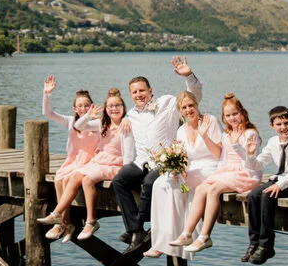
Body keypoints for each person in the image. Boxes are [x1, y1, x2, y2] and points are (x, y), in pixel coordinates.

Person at [111, 56, 202, 249]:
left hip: (165, 162)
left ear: (150, 90)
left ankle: (135, 227)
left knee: (150, 182)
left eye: (142, 90)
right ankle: (136, 230)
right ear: (131, 95)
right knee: (119, 180)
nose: (139, 94)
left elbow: (193, 98)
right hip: (141, 161)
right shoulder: (131, 116)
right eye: (134, 92)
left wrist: (189, 76)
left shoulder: (168, 103)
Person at [172, 93, 261, 254]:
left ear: (242, 113)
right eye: (228, 116)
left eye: (235, 114)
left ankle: (204, 236)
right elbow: (222, 158)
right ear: (224, 118)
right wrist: (218, 173)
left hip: (245, 173)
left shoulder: (249, 133)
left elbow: (252, 163)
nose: (232, 118)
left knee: (214, 190)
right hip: (228, 171)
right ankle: (187, 233)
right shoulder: (227, 134)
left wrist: (249, 153)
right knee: (201, 188)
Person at [144, 89, 223, 258]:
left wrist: (204, 136)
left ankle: (181, 236)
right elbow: (184, 156)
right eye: (184, 107)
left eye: (191, 105)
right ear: (180, 111)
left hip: (212, 167)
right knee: (159, 184)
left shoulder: (210, 121)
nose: (189, 110)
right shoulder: (181, 130)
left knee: (175, 186)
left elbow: (219, 154)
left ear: (197, 105)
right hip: (193, 169)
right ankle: (159, 241)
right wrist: (180, 169)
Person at [242, 105, 288, 264]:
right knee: (254, 195)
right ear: (272, 126)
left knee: (268, 195)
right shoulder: (273, 141)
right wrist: (250, 155)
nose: (283, 128)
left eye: (286, 123)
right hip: (280, 178)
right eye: (279, 124)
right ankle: (254, 242)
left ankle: (266, 245)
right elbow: (258, 164)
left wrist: (280, 185)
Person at [37, 75, 105, 241]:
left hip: (90, 160)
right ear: (74, 108)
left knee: (67, 181)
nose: (83, 108)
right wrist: (47, 94)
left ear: (92, 107)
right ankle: (64, 223)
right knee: (59, 180)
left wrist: (91, 116)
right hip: (74, 159)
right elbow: (48, 113)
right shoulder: (69, 121)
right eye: (80, 106)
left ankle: (61, 222)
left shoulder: (98, 122)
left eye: (86, 105)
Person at [66, 88, 131, 241]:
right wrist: (88, 115)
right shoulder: (102, 124)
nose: (114, 109)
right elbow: (79, 126)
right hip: (101, 161)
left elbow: (128, 153)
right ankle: (59, 215)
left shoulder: (127, 125)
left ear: (124, 108)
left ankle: (90, 221)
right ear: (106, 110)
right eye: (111, 106)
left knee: (87, 180)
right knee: (76, 176)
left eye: (118, 105)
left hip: (116, 165)